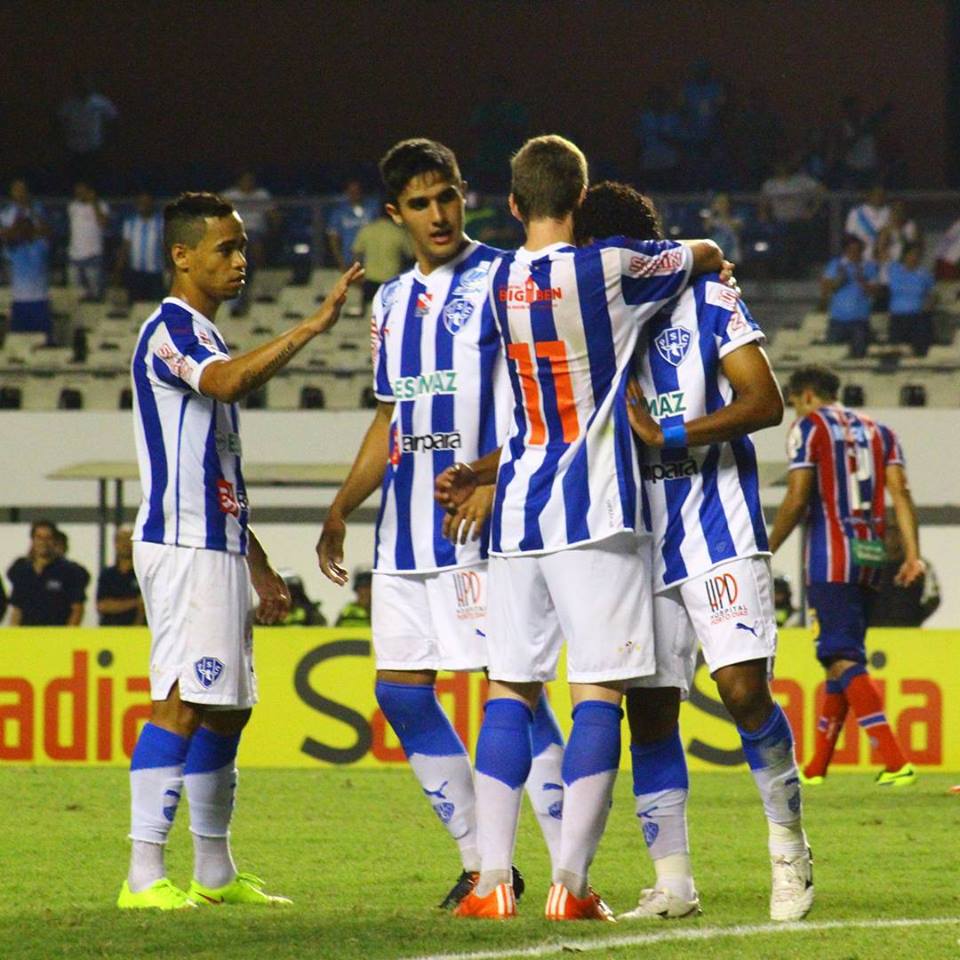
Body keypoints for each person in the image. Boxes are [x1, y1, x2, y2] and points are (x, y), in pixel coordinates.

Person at [438, 136, 724, 921]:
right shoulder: (611, 268)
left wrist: (473, 465)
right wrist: (704, 253)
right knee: (597, 691)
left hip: (519, 508)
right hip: (596, 511)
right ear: (582, 194)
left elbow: (475, 369)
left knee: (509, 691)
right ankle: (570, 885)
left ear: (512, 200)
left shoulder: (493, 279)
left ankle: (493, 880)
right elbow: (700, 252)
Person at [316, 139, 562, 909]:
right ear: (396, 214)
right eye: (420, 204)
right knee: (401, 694)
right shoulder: (389, 303)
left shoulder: (504, 277)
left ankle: (567, 867)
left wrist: (496, 478)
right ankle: (482, 860)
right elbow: (390, 417)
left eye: (447, 196)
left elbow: (540, 397)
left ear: (466, 194)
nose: (438, 214)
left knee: (514, 690)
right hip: (404, 536)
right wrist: (338, 508)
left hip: (481, 527)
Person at [574, 181, 813, 924]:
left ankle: (789, 849)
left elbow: (765, 402)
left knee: (743, 692)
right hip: (636, 535)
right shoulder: (587, 323)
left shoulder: (707, 299)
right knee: (649, 711)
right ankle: (673, 882)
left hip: (716, 520)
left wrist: (671, 434)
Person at [119, 191, 361, 911]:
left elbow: (218, 469)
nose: (240, 259)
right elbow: (226, 382)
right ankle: (142, 876)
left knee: (227, 709)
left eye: (242, 247)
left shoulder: (209, 336)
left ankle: (216, 872)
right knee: (182, 702)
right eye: (225, 248)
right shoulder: (170, 331)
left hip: (217, 544)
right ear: (181, 255)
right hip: (183, 545)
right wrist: (312, 327)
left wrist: (255, 561)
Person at [768, 365, 922, 787]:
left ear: (809, 395)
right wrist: (913, 554)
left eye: (797, 401)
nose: (797, 408)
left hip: (830, 557)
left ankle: (895, 760)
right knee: (842, 656)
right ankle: (816, 768)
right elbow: (901, 492)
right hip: (871, 554)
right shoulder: (881, 431)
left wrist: (766, 548)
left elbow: (798, 496)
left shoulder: (809, 428)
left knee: (840, 654)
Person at [6, 520, 86, 626]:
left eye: (48, 538)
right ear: (32, 540)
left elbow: (77, 609)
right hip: (27, 638)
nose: (43, 542)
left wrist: (68, 638)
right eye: (39, 537)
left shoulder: (70, 571)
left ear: (55, 541)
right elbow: (17, 610)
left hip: (56, 638)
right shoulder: (23, 571)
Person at [869, 523, 940, 627]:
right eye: (888, 534)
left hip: (907, 630)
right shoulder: (869, 565)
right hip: (873, 629)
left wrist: (915, 618)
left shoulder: (918, 565)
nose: (891, 539)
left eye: (896, 535)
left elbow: (933, 598)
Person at [821, 235, 879, 359]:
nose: (855, 253)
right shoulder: (836, 264)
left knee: (859, 356)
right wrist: (840, 279)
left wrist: (861, 279)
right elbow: (826, 288)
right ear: (846, 250)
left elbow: (874, 292)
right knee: (830, 354)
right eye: (851, 250)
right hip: (838, 319)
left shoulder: (869, 266)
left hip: (860, 320)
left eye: (858, 250)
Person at [351, 206, 414, 309]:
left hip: (369, 280)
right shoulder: (398, 232)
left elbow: (356, 254)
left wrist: (357, 275)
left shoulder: (366, 230)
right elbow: (411, 254)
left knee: (367, 317)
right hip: (391, 282)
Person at [2, 216, 52, 339]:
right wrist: (15, 228)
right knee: (18, 340)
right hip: (20, 302)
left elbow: (49, 232)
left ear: (32, 229)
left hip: (40, 301)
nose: (24, 231)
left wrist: (35, 219)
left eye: (27, 228)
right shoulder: (13, 249)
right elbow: (5, 235)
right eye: (22, 229)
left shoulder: (40, 245)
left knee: (44, 339)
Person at [884, 244, 936, 357]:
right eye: (912, 254)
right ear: (905, 255)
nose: (914, 257)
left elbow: (931, 295)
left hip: (917, 317)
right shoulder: (893, 269)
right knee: (896, 351)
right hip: (897, 317)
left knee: (919, 351)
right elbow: (881, 249)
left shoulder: (925, 274)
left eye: (917, 255)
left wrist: (928, 306)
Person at [115, 193, 166, 304]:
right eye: (141, 202)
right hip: (136, 273)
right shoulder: (130, 222)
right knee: (136, 304)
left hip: (155, 273)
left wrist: (171, 269)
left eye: (147, 202)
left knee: (155, 305)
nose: (144, 205)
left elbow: (165, 247)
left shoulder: (161, 222)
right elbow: (125, 247)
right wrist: (119, 268)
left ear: (152, 204)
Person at [68, 181, 110, 302]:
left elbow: (103, 224)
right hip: (75, 257)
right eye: (78, 190)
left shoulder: (102, 206)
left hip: (93, 256)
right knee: (77, 295)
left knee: (96, 295)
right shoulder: (73, 207)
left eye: (82, 190)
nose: (80, 193)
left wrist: (94, 203)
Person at [325, 179, 379, 271]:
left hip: (372, 260)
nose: (355, 194)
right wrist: (340, 262)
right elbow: (333, 239)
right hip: (349, 261)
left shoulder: (372, 208)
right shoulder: (339, 212)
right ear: (347, 192)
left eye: (357, 191)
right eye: (351, 191)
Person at [97, 525, 144, 626]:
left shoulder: (143, 574)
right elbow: (102, 606)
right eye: (121, 539)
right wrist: (135, 602)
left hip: (139, 633)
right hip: (109, 633)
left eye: (129, 539)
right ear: (115, 543)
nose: (125, 543)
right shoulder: (107, 575)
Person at [843, 184, 890, 261]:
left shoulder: (889, 212)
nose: (879, 197)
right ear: (868, 195)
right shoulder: (856, 213)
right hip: (860, 255)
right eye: (876, 194)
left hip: (882, 256)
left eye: (882, 195)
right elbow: (849, 235)